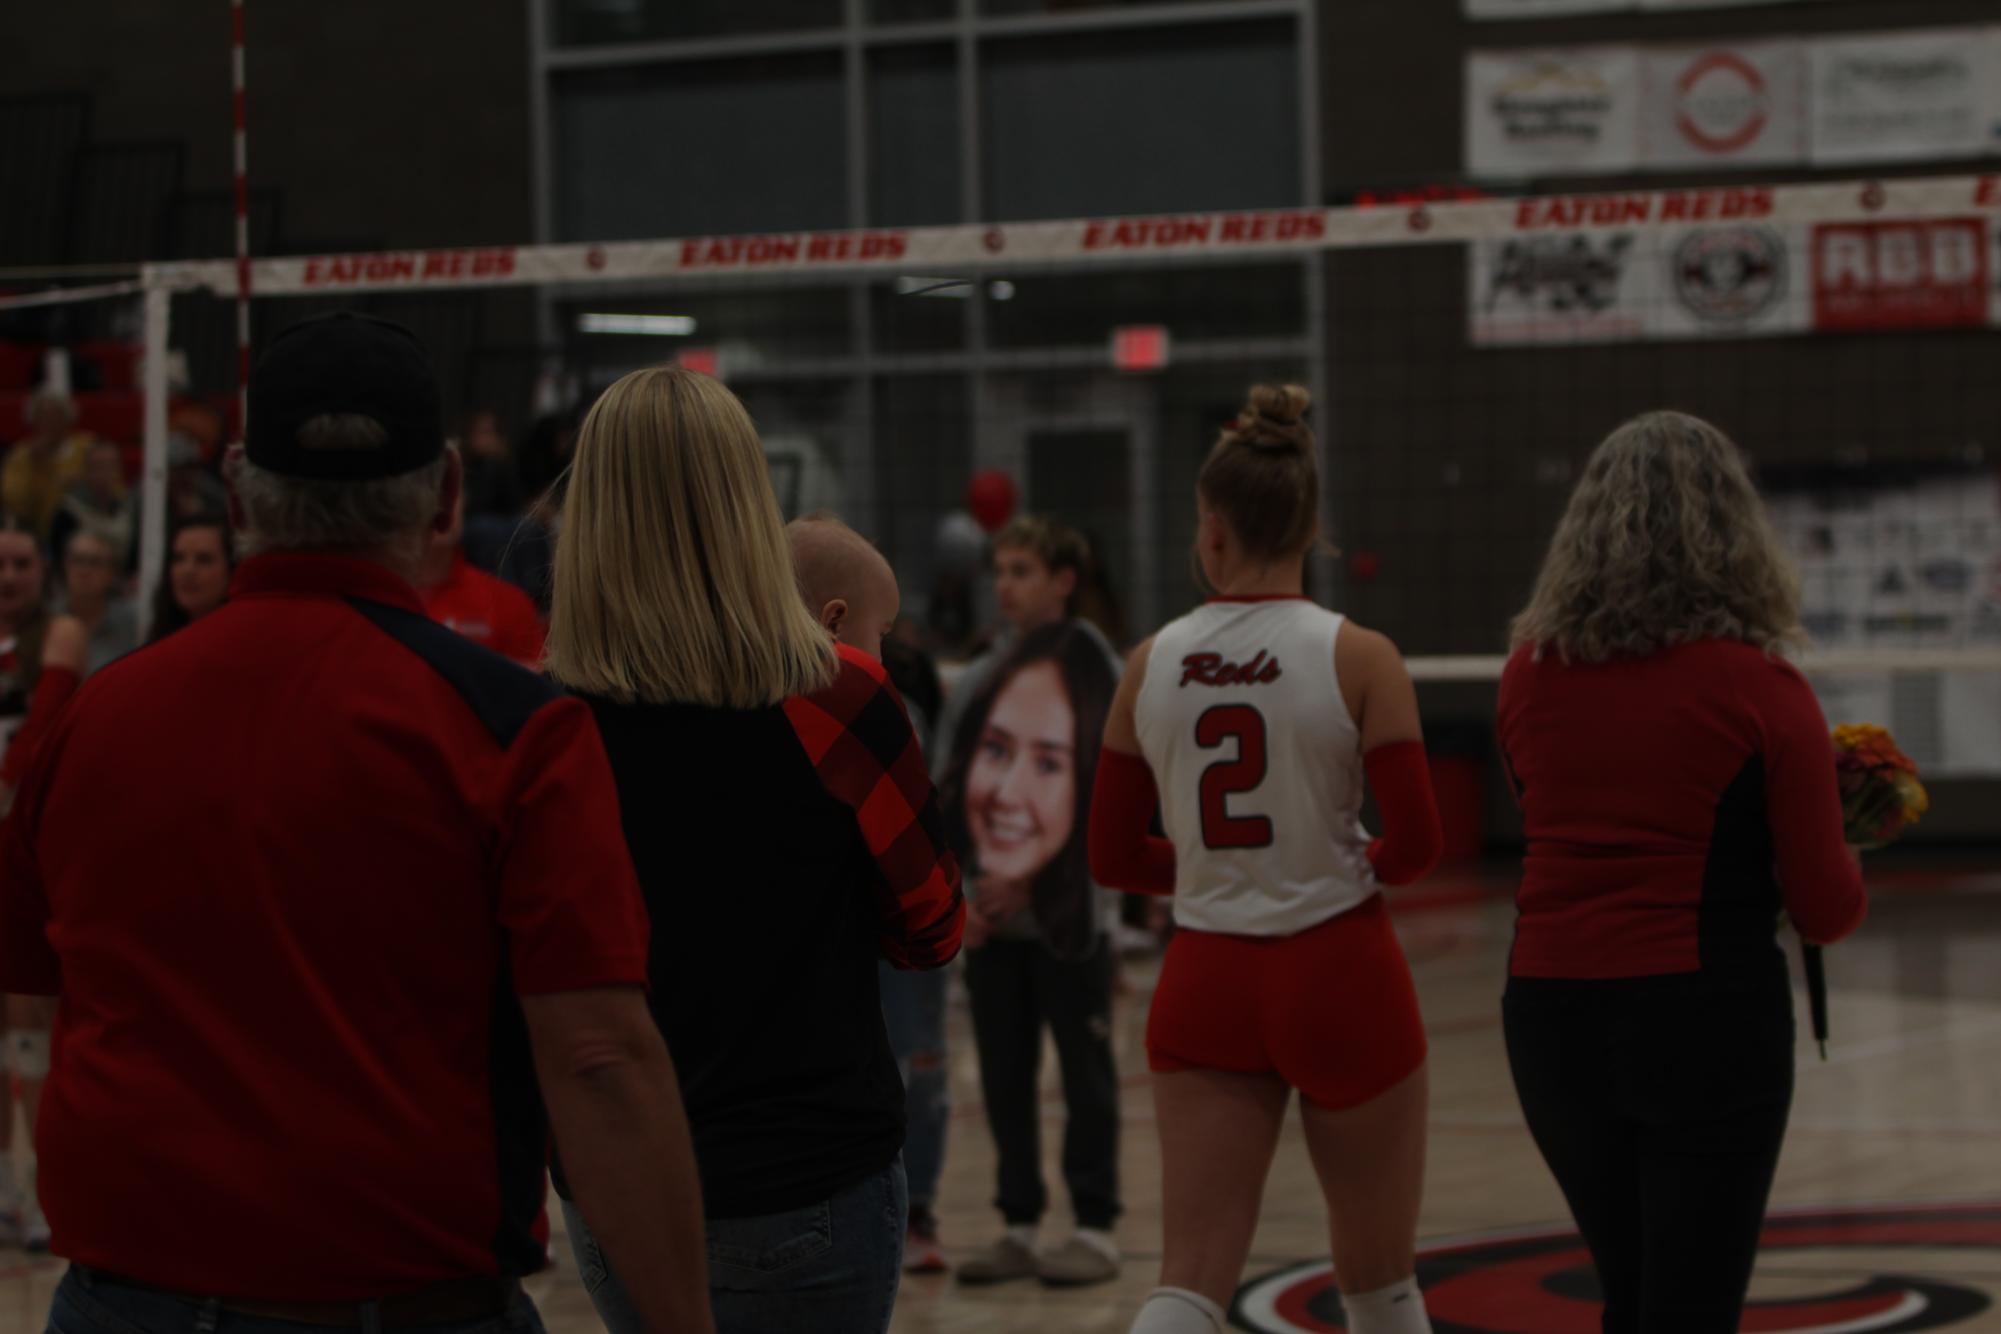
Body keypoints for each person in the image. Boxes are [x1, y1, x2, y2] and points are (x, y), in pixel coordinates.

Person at [0, 312, 712, 1334]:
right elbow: (598, 1056)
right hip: (406, 1299)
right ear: (447, 496)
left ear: (240, 491)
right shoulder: (517, 731)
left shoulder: (93, 720)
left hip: (129, 1296)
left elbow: (31, 971)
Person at [547, 366, 964, 1334]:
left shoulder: (545, 719)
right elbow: (932, 928)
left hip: (616, 1177)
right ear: (746, 497)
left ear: (593, 511)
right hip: (807, 1175)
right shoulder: (843, 696)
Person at [1497, 410, 1869, 1333]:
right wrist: (1850, 828)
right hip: (1702, 1024)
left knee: (1631, 1299)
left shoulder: (1526, 676)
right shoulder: (1762, 688)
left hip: (1549, 1026)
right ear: (1736, 530)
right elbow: (1824, 911)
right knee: (1691, 1312)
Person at [1088, 384, 1442, 1334]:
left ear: (1210, 528)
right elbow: (1417, 847)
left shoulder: (1146, 662)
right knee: (1379, 1281)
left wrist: (1211, 870)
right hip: (1340, 970)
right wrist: (1335, 856)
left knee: (1188, 1280)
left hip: (1206, 979)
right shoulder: (1362, 656)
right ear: (1312, 523)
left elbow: (1111, 854)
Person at [936, 520, 1126, 1285]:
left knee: (1084, 1068)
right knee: (1004, 1073)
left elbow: (1100, 790)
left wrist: (1032, 878)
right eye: (1000, 571)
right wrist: (967, 892)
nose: (1005, 585)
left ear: (1063, 581)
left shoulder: (1098, 670)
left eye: (1022, 571)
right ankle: (1016, 1223)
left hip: (1069, 916)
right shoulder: (981, 674)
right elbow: (953, 789)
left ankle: (1094, 1226)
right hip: (992, 920)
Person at [787, 514, 956, 1274]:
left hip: (686, 1131)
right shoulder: (858, 707)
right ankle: (919, 1206)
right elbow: (931, 917)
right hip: (824, 1139)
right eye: (882, 632)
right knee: (917, 1058)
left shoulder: (675, 703)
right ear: (834, 624)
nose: (891, 651)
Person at [0, 511, 55, 1252]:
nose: (8, 578)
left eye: (20, 564)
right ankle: (5, 1191)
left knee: (31, 1022)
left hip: (29, 846)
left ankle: (40, 1190)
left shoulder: (59, 638)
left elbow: (35, 748)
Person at [416, 488, 546, 667]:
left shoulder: (509, 603)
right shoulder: (375, 599)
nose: (443, 503)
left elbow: (539, 685)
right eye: (430, 488)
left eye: (452, 489)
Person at [2, 390, 94, 546]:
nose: (49, 422)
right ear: (33, 421)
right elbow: (15, 502)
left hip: (84, 528)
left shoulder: (87, 447)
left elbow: (111, 485)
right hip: (36, 532)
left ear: (67, 418)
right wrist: (35, 466)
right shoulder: (22, 456)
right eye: (43, 417)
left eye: (55, 415)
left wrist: (81, 481)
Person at [49, 439, 135, 574]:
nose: (105, 472)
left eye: (111, 465)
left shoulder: (127, 510)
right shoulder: (68, 513)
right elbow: (57, 561)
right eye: (98, 466)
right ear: (86, 470)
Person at [146, 516, 235, 643]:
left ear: (230, 569)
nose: (187, 571)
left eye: (204, 559)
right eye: (179, 558)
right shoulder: (159, 641)